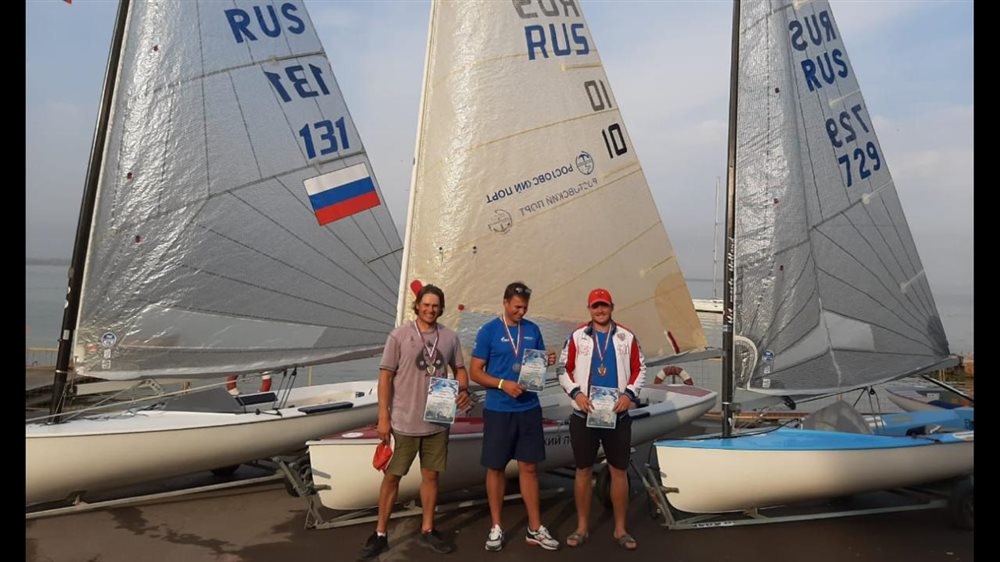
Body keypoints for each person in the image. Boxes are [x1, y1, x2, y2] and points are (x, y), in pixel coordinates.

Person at [358, 284, 473, 561]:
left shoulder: (449, 337)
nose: (430, 309)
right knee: (392, 477)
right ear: (418, 305)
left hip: (437, 421)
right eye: (426, 304)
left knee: (431, 476)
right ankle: (380, 533)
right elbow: (385, 376)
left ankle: (428, 529)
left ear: (441, 308)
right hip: (404, 420)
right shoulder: (399, 335)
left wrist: (463, 389)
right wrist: (383, 416)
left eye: (435, 306)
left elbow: (460, 369)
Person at [470, 281, 560, 552]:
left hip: (528, 407)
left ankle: (535, 527)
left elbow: (536, 367)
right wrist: (502, 384)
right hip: (499, 409)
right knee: (496, 468)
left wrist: (546, 361)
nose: (521, 312)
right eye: (517, 307)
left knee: (529, 468)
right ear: (505, 303)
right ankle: (496, 527)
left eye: (525, 308)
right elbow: (475, 371)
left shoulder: (532, 330)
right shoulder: (489, 331)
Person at [556, 288, 645, 551]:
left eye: (604, 305)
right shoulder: (577, 336)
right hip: (585, 414)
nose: (600, 310)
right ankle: (582, 527)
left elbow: (640, 368)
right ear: (590, 309)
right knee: (583, 470)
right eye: (595, 306)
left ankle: (621, 529)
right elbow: (563, 369)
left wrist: (629, 394)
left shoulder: (627, 336)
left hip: (617, 415)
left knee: (619, 471)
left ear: (611, 307)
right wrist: (576, 393)